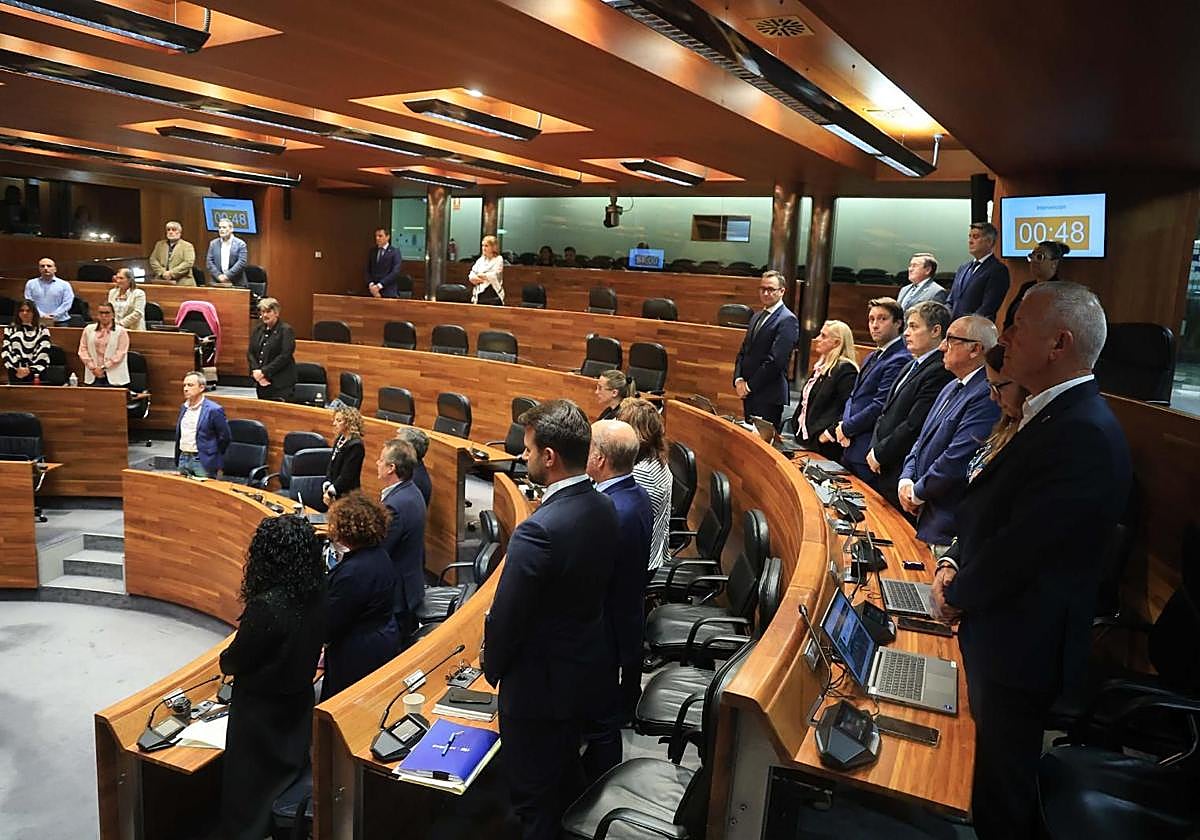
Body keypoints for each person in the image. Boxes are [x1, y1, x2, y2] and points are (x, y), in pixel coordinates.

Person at [931, 282, 1131, 839]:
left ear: (1058, 344)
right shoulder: (1049, 414)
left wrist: (955, 593)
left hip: (1022, 646)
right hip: (1003, 628)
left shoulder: (1082, 431)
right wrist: (953, 564)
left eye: (1019, 326)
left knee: (1002, 792)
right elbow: (989, 511)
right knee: (984, 778)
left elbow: (1023, 547)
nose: (1008, 337)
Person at [484, 400, 617, 840]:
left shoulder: (538, 531)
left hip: (536, 692)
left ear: (549, 456)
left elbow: (507, 619)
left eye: (527, 450)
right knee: (562, 785)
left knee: (532, 804)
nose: (522, 457)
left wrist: (491, 668)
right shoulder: (604, 506)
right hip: (580, 673)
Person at [219, 514, 326, 840]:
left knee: (250, 785)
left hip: (260, 715)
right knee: (288, 774)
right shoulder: (318, 591)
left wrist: (226, 659)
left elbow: (233, 661)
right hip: (297, 700)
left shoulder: (268, 605)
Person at [582, 419, 652, 780]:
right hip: (621, 616)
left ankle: (599, 785)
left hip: (606, 627)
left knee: (601, 716)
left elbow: (594, 580)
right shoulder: (632, 495)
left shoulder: (612, 511)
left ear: (599, 458)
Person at [898, 316, 1001, 551]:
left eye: (951, 339)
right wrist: (906, 479)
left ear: (975, 349)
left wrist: (916, 492)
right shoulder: (951, 386)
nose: (942, 347)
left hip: (946, 526)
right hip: (924, 515)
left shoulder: (986, 394)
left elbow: (958, 458)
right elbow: (921, 441)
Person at [864, 300, 954, 509]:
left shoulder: (939, 370)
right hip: (882, 463)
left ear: (935, 331)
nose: (906, 333)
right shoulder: (911, 364)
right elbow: (886, 413)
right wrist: (875, 449)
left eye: (913, 326)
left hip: (899, 467)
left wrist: (880, 453)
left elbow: (914, 424)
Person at [322, 493, 400, 700]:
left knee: (346, 702)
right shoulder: (379, 554)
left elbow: (330, 623)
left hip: (358, 652)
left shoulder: (352, 573)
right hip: (382, 637)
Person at [837, 297, 910, 477]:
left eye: (882, 319)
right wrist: (843, 427)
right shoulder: (872, 356)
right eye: (871, 319)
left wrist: (847, 428)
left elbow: (880, 405)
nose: (875, 325)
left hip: (866, 448)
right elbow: (854, 396)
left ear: (898, 323)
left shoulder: (900, 358)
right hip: (849, 442)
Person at [732, 270, 800, 428]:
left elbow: (776, 361)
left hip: (768, 395)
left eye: (771, 289)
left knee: (762, 441)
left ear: (782, 291)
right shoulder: (756, 316)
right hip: (749, 393)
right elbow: (744, 351)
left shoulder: (787, 320)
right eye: (762, 289)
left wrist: (749, 386)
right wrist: (739, 380)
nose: (765, 293)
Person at [377, 439, 427, 644]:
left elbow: (379, 550)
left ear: (391, 468)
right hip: (411, 584)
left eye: (381, 460)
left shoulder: (395, 506)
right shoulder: (411, 491)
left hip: (398, 594)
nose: (377, 463)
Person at [616, 397, 672, 574]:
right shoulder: (654, 457)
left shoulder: (642, 473)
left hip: (640, 563)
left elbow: (615, 518)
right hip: (647, 551)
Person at [791, 320, 858, 461]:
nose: (817, 339)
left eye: (823, 336)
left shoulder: (845, 370)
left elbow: (850, 409)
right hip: (807, 439)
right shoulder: (822, 367)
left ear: (836, 343)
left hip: (825, 446)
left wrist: (827, 434)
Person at [966, 344, 1029, 482]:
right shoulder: (1006, 425)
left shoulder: (1032, 433)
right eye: (990, 387)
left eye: (998, 387)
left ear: (1024, 382)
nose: (993, 397)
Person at [946, 221, 1011, 321]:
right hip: (953, 326)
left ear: (989, 242)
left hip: (977, 327)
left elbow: (988, 308)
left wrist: (966, 324)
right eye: (970, 237)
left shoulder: (998, 270)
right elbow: (951, 301)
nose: (970, 241)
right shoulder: (963, 268)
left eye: (975, 237)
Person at [175, 371, 231, 477]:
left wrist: (213, 455)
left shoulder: (213, 410)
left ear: (201, 387)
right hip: (183, 457)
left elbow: (225, 437)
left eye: (190, 385)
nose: (185, 389)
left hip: (203, 460)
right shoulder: (184, 407)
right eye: (184, 385)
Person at [1003, 239, 1068, 330]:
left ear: (1054, 263)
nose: (1033, 261)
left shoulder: (1059, 292)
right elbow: (1010, 319)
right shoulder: (1026, 287)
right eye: (1032, 256)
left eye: (1039, 257)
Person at [247, 297, 296, 401]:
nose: (265, 315)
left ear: (276, 313)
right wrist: (256, 372)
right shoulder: (258, 329)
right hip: (261, 382)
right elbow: (251, 353)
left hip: (280, 382)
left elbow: (285, 356)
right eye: (263, 312)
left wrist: (264, 372)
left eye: (268, 311)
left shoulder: (286, 330)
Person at [77, 302, 130, 387]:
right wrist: (93, 367)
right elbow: (83, 350)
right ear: (97, 315)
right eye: (101, 313)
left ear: (113, 315)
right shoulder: (88, 329)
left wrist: (104, 368)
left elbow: (120, 353)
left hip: (115, 377)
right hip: (93, 374)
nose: (104, 316)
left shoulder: (121, 331)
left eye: (107, 313)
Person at [322, 405, 365, 507]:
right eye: (335, 420)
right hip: (335, 491)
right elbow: (331, 464)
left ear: (349, 423)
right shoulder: (339, 439)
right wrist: (328, 483)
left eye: (339, 420)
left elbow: (348, 474)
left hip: (348, 496)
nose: (334, 423)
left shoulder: (356, 445)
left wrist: (332, 490)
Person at [3, 299, 50, 384]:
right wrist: (17, 368)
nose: (25, 313)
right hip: (15, 372)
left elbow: (43, 351)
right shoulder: (10, 329)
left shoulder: (43, 330)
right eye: (22, 310)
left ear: (34, 313)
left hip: (36, 373)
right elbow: (6, 351)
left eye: (28, 311)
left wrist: (29, 369)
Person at [24, 258, 73, 325]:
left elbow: (67, 303)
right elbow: (29, 302)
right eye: (42, 266)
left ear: (55, 269)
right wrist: (41, 315)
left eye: (49, 266)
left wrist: (53, 315)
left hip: (60, 321)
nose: (46, 268)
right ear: (39, 269)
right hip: (37, 320)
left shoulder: (65, 285)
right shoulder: (31, 283)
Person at [394, 426, 432, 507]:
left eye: (398, 444)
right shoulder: (412, 469)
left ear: (409, 449)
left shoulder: (414, 480)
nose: (393, 448)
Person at [206, 217, 249, 286]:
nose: (221, 230)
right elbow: (209, 262)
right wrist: (219, 276)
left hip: (236, 283)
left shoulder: (241, 244)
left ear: (231, 229)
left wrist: (226, 276)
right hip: (217, 281)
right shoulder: (213, 244)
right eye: (219, 228)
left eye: (224, 227)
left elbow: (242, 262)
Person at [366, 227, 403, 298]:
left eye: (380, 236)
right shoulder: (372, 251)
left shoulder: (394, 252)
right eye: (376, 236)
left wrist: (379, 285)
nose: (377, 238)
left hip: (388, 291)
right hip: (372, 291)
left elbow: (395, 272)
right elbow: (367, 270)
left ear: (387, 237)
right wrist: (371, 284)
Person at [468, 234, 505, 304]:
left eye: (486, 246)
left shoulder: (498, 259)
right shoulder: (480, 260)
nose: (483, 248)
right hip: (479, 294)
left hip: (493, 294)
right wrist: (480, 279)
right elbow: (471, 275)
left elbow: (494, 275)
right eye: (483, 245)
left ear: (493, 247)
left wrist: (481, 275)